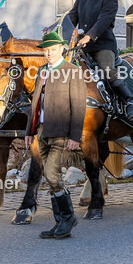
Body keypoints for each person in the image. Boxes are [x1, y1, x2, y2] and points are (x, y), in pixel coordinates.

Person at [24, 31, 87, 239]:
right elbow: (35, 105)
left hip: (61, 133)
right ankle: (61, 221)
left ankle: (67, 217)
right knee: (51, 179)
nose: (49, 54)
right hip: (42, 131)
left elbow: (78, 107)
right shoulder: (42, 71)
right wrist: (29, 132)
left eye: (52, 50)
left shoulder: (73, 71)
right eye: (45, 50)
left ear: (61, 49)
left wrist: (75, 137)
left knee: (52, 175)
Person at [68, 0, 133, 119]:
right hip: (81, 46)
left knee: (108, 70)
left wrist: (88, 36)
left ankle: (129, 102)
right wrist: (56, 29)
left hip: (102, 46)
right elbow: (71, 18)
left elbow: (103, 21)